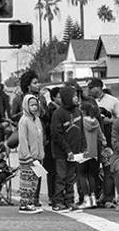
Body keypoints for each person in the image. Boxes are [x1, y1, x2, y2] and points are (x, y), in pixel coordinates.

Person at [50, 84, 86, 212]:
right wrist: (68, 150)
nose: (76, 98)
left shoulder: (78, 111)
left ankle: (70, 201)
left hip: (75, 152)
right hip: (62, 152)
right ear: (67, 97)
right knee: (61, 177)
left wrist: (83, 148)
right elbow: (56, 134)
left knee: (71, 177)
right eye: (74, 96)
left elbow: (81, 131)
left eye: (77, 96)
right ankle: (58, 202)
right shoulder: (58, 114)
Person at [17, 94, 45, 214]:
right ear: (26, 105)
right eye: (31, 105)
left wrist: (41, 155)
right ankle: (25, 204)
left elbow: (39, 139)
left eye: (35, 105)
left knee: (34, 182)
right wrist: (28, 156)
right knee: (26, 181)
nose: (34, 107)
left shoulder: (37, 120)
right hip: (27, 158)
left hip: (37, 157)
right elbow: (23, 140)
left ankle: (31, 202)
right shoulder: (24, 121)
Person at [78, 102, 105, 209]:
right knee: (91, 175)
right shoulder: (96, 122)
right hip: (94, 152)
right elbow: (101, 137)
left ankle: (86, 198)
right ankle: (93, 198)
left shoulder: (81, 121)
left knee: (81, 174)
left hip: (83, 151)